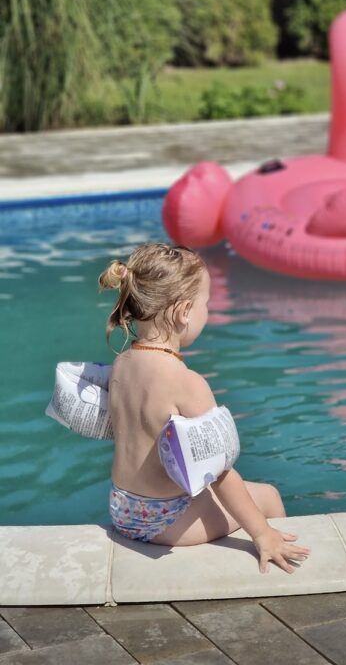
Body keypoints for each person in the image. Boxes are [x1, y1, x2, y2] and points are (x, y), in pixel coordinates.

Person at [100, 241, 310, 573]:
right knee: (268, 495)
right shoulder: (186, 382)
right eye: (206, 304)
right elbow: (219, 473)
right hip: (163, 522)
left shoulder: (122, 364)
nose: (207, 312)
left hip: (122, 509)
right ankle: (280, 555)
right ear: (184, 311)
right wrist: (260, 532)